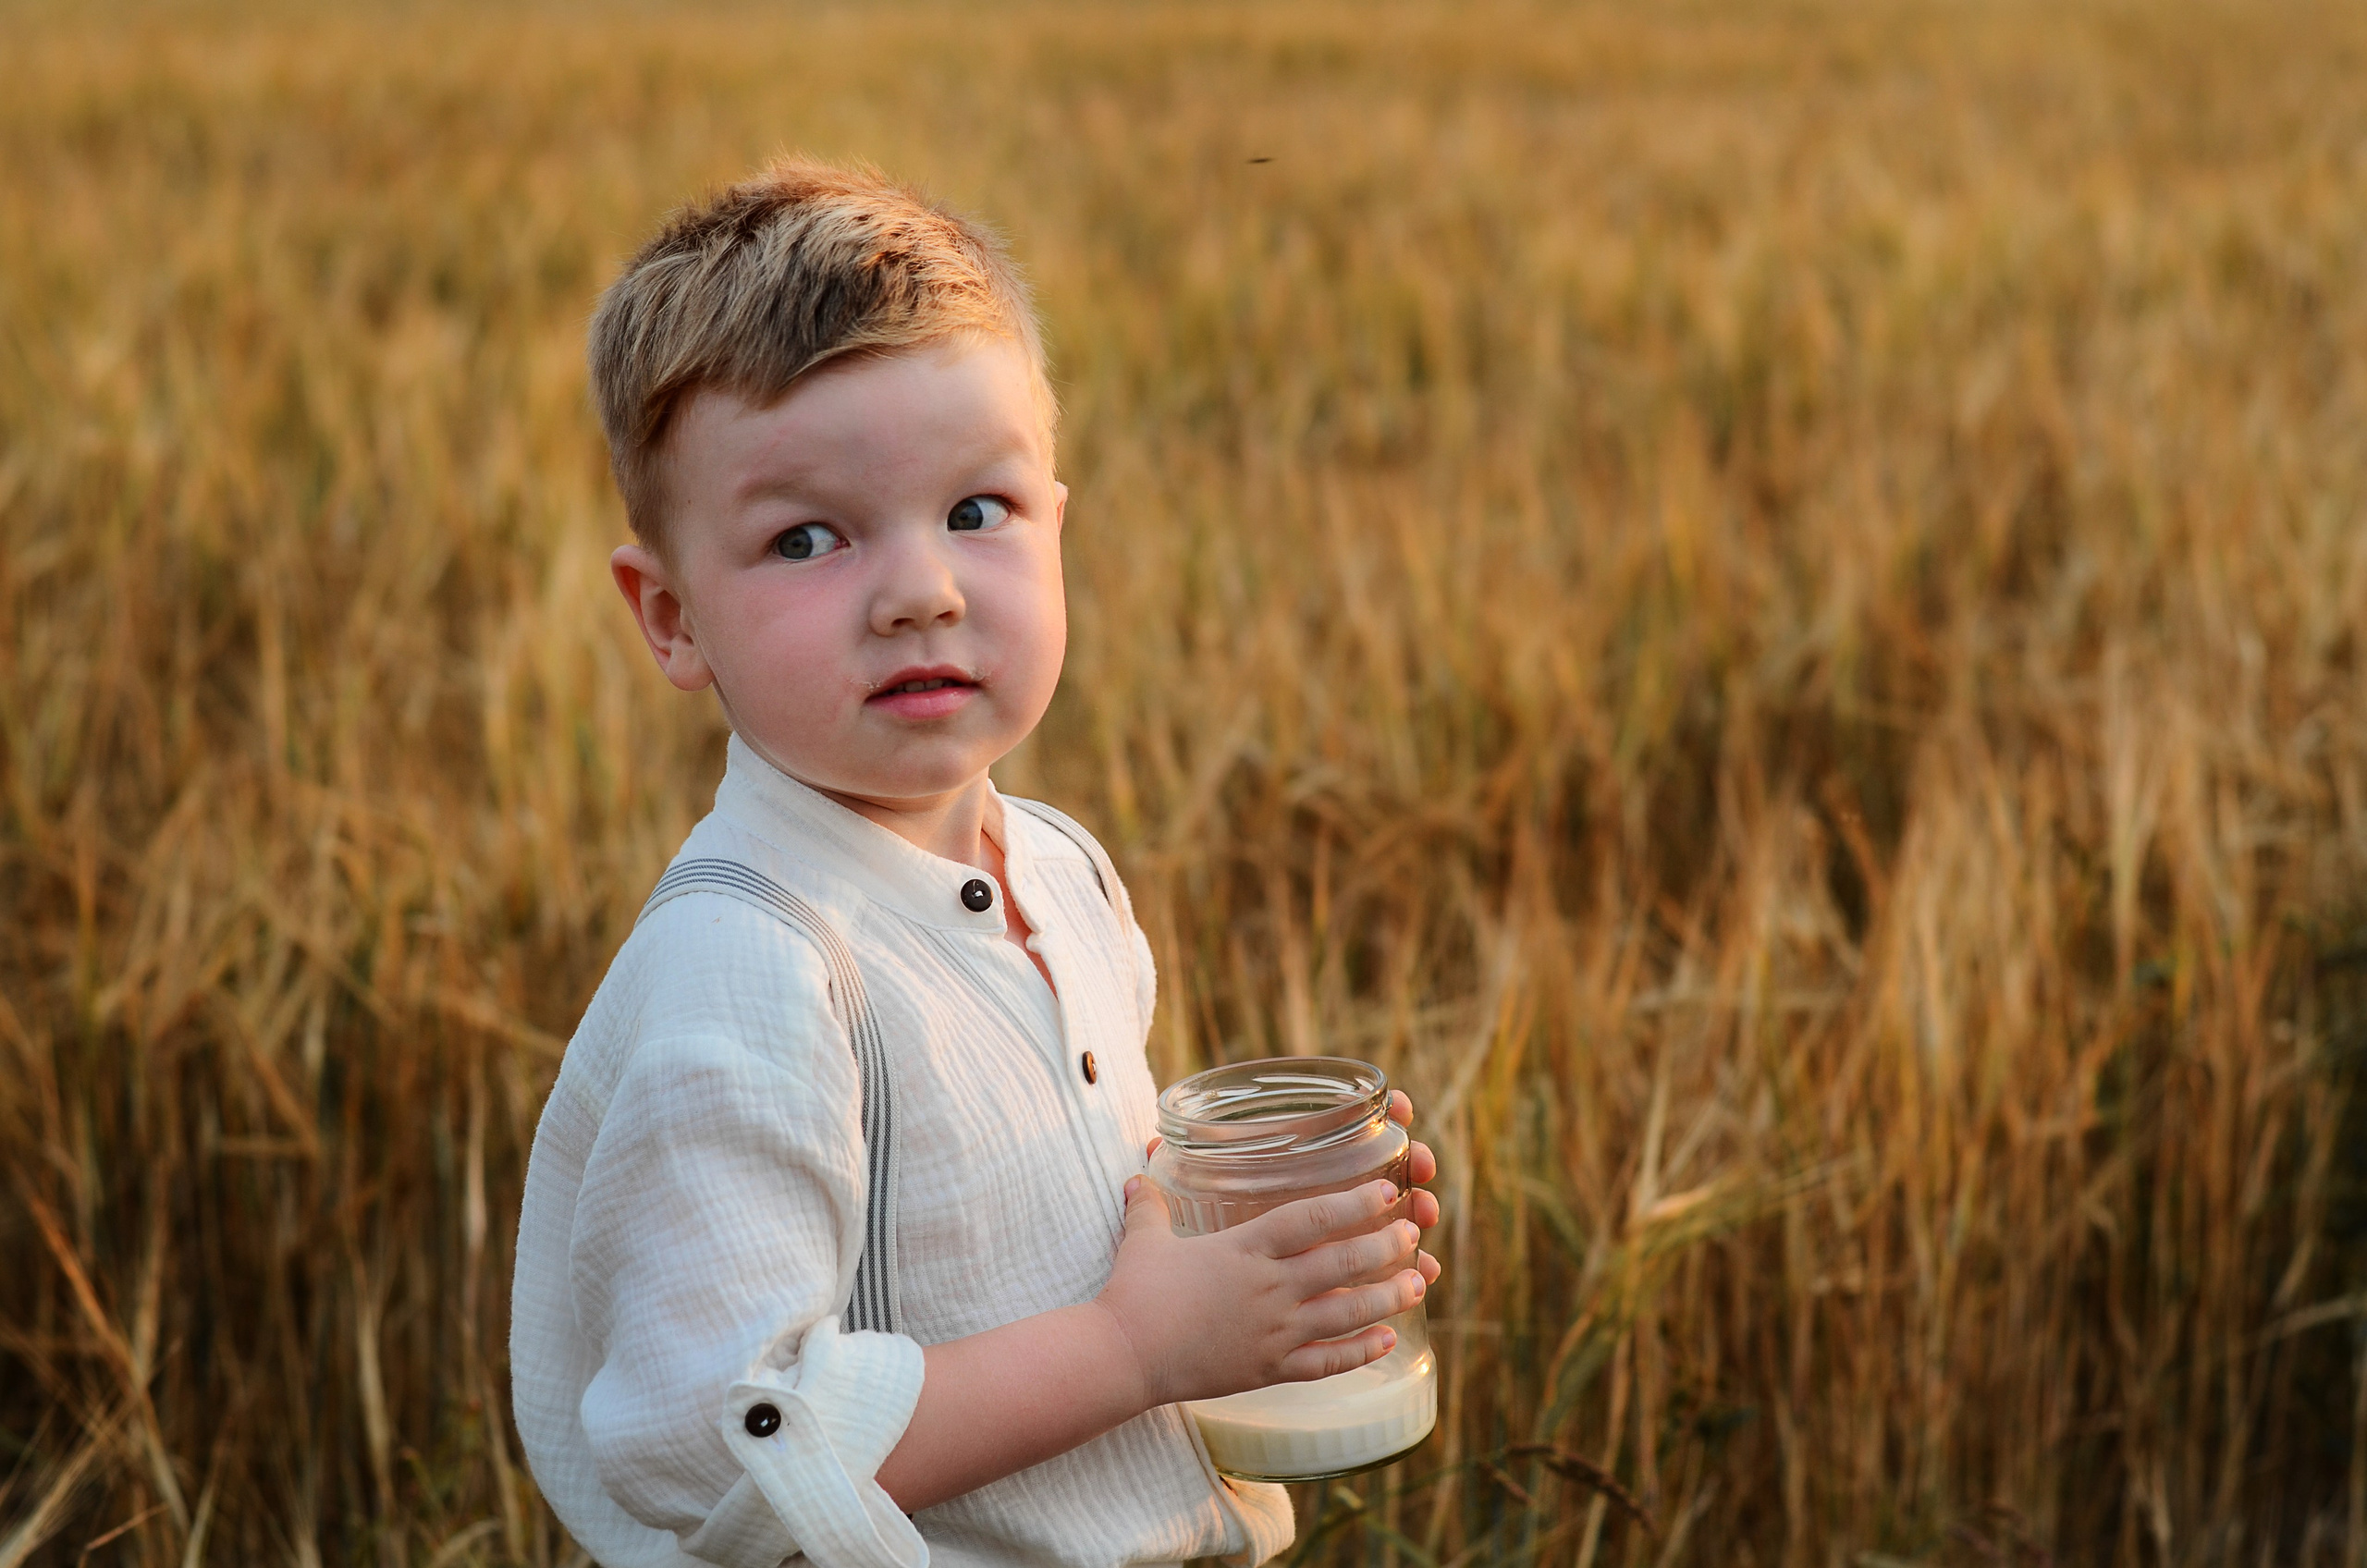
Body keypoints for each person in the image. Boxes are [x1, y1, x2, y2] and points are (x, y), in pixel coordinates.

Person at [509, 157, 1441, 1568]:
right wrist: (1135, 1346)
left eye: (977, 511)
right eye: (806, 538)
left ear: (1059, 526)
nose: (921, 591)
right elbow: (727, 1443)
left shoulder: (1062, 870)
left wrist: (1256, 1265)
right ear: (671, 616)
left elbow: (1065, 1235)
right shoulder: (748, 970)